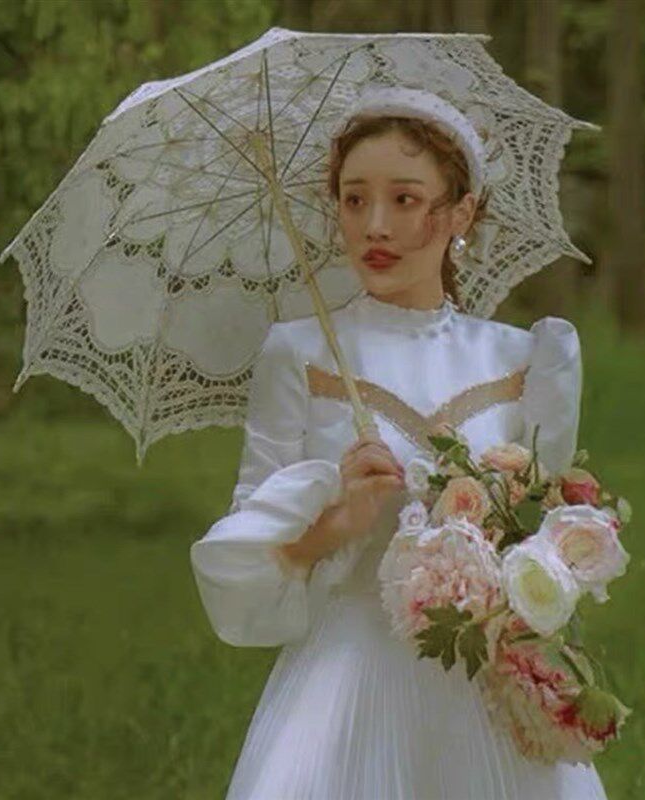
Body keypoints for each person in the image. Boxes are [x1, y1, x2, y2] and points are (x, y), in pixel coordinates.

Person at [190, 87, 608, 799]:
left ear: (461, 213)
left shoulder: (524, 359)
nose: (374, 225)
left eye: (405, 199)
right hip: (346, 682)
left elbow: (543, 528)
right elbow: (249, 548)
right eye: (354, 200)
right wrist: (338, 522)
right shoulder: (298, 353)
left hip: (486, 688)